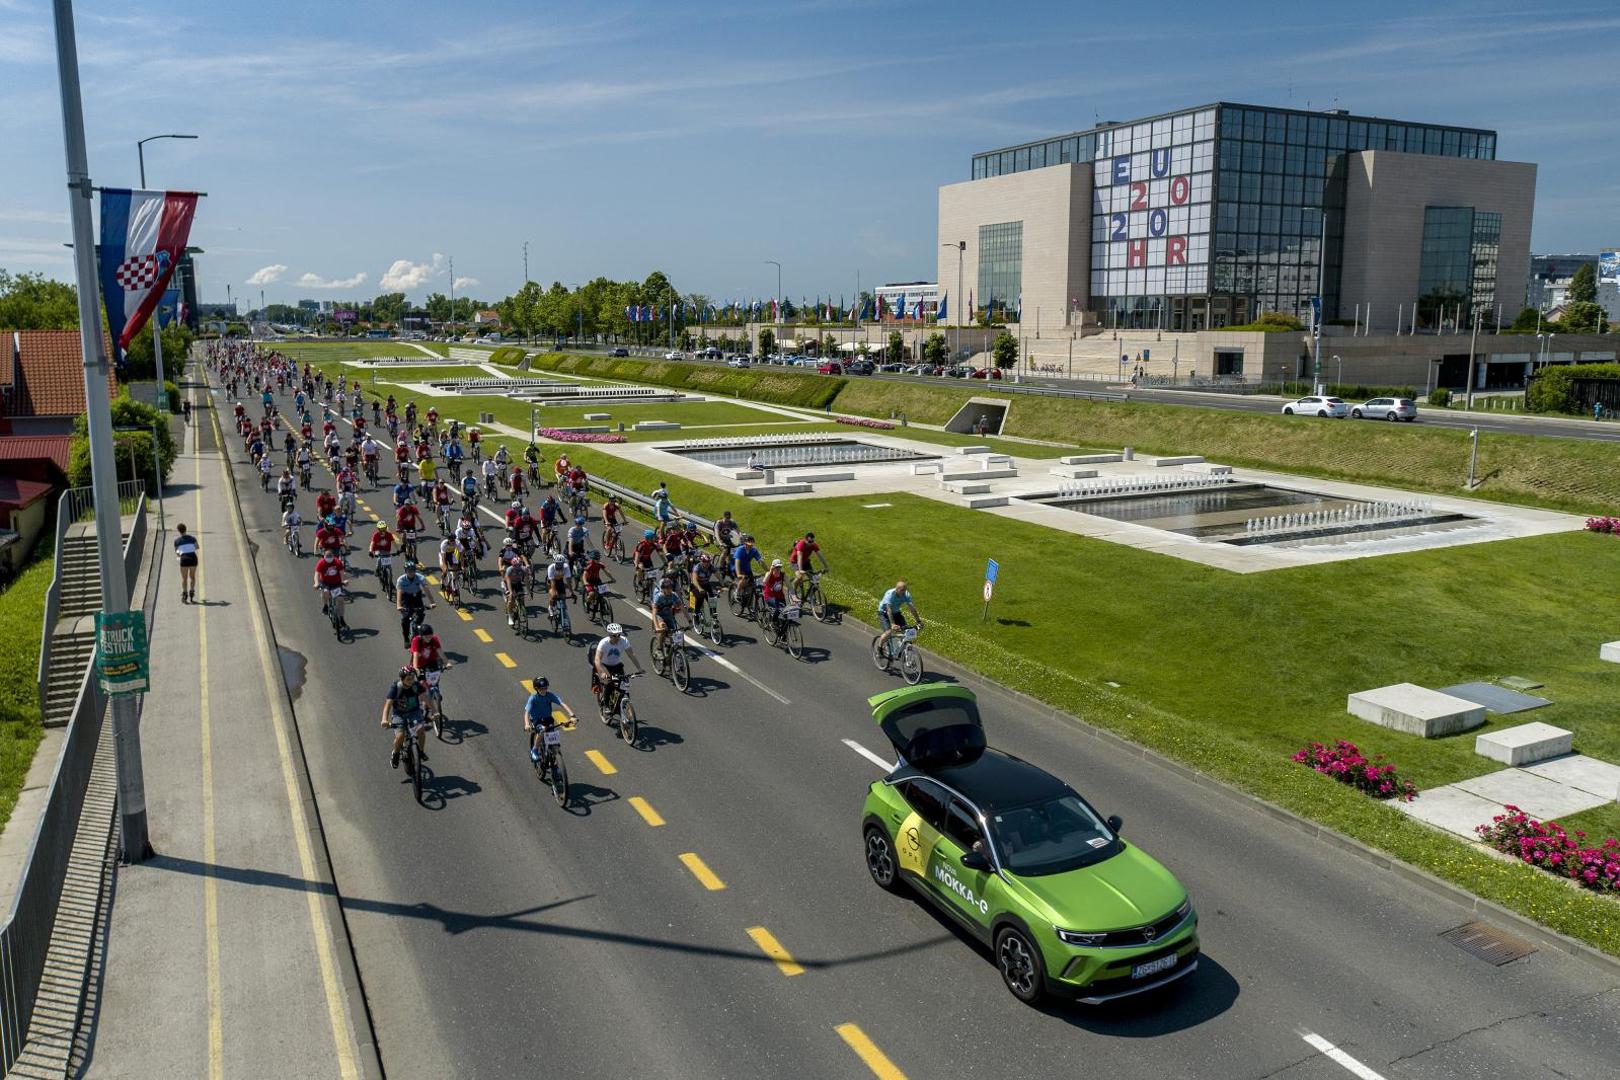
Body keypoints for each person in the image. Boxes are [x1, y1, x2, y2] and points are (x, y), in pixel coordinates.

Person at [381, 666, 428, 769]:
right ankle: (396, 753)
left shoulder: (416, 685)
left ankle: (421, 751)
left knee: (421, 730)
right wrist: (384, 719)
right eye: (408, 679)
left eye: (412, 678)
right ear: (402, 679)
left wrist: (435, 711)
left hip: (414, 712)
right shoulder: (396, 688)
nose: (411, 681)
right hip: (399, 715)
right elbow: (388, 704)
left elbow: (425, 698)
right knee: (400, 736)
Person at [523, 675, 577, 766]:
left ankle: (554, 765)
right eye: (541, 689)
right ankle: (535, 750)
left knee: (554, 742)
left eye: (545, 688)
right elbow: (527, 712)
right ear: (536, 689)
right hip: (537, 720)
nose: (544, 690)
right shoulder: (533, 698)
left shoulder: (550, 695)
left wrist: (572, 715)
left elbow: (562, 703)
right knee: (542, 730)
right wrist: (527, 724)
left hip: (548, 719)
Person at [590, 622, 645, 698]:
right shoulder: (603, 643)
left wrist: (639, 668)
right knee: (610, 683)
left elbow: (631, 655)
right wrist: (601, 673)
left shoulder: (624, 641)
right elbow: (597, 659)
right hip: (605, 666)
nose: (617, 637)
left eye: (619, 634)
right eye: (615, 635)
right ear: (609, 635)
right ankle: (605, 705)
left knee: (623, 684)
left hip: (617, 665)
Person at [876, 579, 921, 653]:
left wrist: (918, 621)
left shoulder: (906, 594)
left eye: (905, 590)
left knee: (907, 632)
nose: (904, 592)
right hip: (883, 613)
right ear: (897, 589)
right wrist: (892, 624)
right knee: (889, 632)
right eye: (902, 590)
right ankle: (879, 648)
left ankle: (901, 649)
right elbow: (889, 610)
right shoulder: (890, 594)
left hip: (896, 612)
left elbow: (912, 608)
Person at [395, 561, 433, 647]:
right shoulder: (401, 580)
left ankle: (416, 628)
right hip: (405, 598)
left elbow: (426, 590)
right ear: (405, 571)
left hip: (416, 597)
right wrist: (398, 605)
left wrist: (432, 602)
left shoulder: (420, 577)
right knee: (405, 619)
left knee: (421, 613)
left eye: (413, 570)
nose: (411, 573)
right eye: (409, 571)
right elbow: (399, 593)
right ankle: (406, 638)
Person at [650, 574, 685, 654]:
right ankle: (659, 649)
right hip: (659, 615)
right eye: (667, 588)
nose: (670, 590)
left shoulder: (674, 595)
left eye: (670, 588)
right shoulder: (658, 597)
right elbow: (654, 613)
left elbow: (683, 608)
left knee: (673, 632)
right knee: (662, 628)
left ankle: (669, 647)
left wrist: (689, 621)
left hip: (668, 615)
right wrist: (656, 626)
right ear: (663, 589)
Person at [313, 550, 348, 628]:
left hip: (336, 583)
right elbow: (317, 574)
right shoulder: (321, 563)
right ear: (324, 557)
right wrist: (316, 583)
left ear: (333, 556)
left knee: (341, 600)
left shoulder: (337, 562)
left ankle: (341, 619)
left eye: (330, 556)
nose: (329, 558)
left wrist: (344, 581)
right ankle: (325, 605)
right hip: (325, 583)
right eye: (327, 557)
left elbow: (342, 573)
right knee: (325, 592)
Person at [789, 530, 829, 598]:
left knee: (814, 579)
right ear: (805, 540)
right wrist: (800, 570)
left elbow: (820, 556)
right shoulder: (801, 544)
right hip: (795, 562)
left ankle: (810, 595)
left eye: (812, 541)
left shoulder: (813, 545)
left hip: (805, 562)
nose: (811, 543)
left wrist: (826, 566)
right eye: (810, 542)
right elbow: (799, 557)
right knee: (799, 577)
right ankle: (793, 591)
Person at [174, 522, 200, 603]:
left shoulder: (177, 541)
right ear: (186, 529)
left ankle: (185, 594)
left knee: (184, 578)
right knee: (192, 577)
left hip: (184, 559)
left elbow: (177, 552)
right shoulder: (192, 538)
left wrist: (181, 554)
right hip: (193, 558)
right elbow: (197, 547)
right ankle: (192, 592)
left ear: (179, 531)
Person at [761, 558, 788, 627]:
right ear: (773, 567)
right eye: (776, 567)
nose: (778, 569)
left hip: (780, 597)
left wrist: (794, 597)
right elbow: (764, 582)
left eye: (779, 567)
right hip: (769, 597)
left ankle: (775, 619)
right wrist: (770, 571)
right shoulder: (769, 574)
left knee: (786, 611)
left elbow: (790, 586)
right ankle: (772, 622)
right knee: (778, 608)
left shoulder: (783, 575)